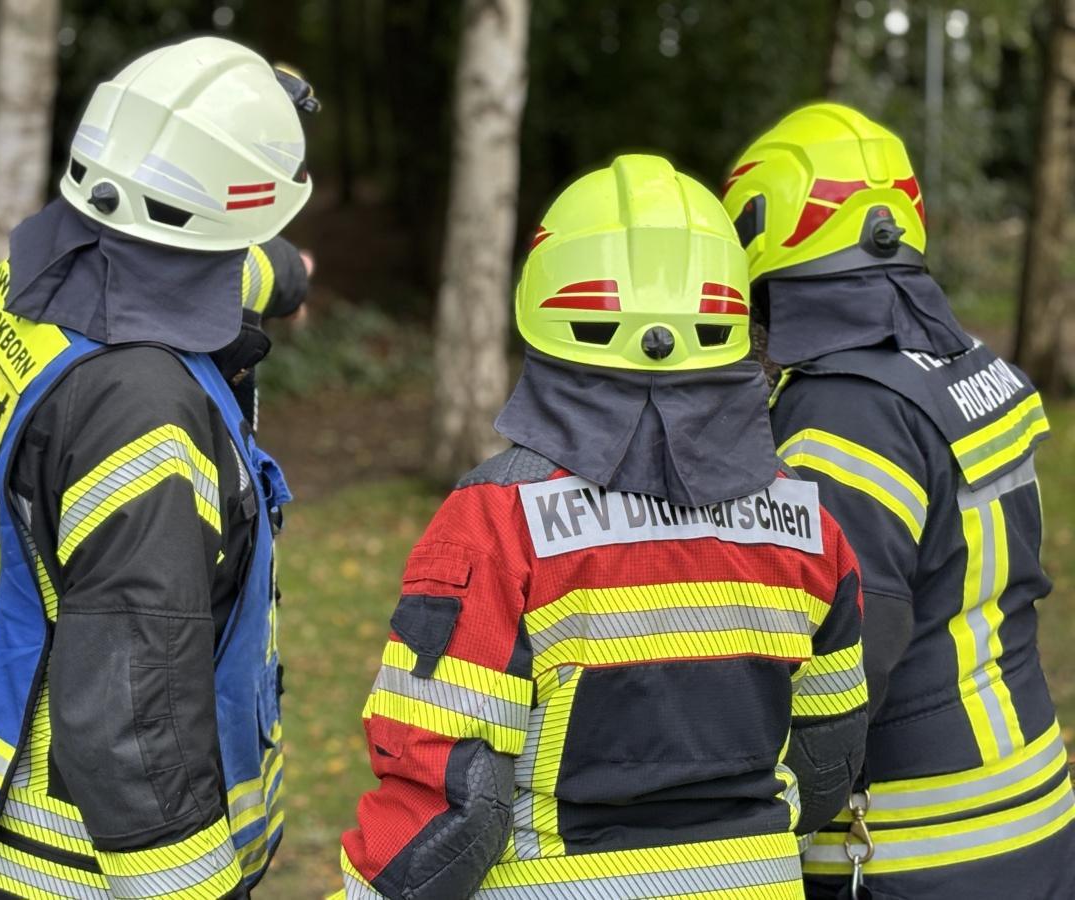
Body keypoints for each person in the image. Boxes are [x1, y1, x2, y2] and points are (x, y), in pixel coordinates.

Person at [331, 154, 869, 900]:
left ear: (545, 308)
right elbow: (827, 762)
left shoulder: (495, 523)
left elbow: (451, 809)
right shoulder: (810, 529)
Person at [0, 36, 317, 899]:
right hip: (71, 864)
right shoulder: (143, 411)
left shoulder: (38, 275)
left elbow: (211, 273)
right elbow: (135, 709)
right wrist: (193, 886)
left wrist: (286, 272)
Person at [723, 102, 1075, 899]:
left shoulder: (843, 406)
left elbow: (845, 663)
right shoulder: (962, 368)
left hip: (915, 853)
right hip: (1029, 816)